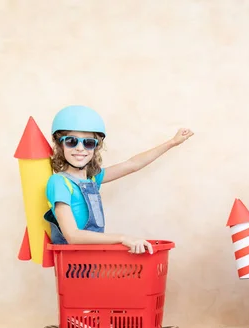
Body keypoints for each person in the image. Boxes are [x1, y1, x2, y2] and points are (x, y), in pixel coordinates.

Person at [44, 105, 193, 253]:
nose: (80, 148)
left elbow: (132, 164)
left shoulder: (93, 179)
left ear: (95, 147)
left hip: (92, 259)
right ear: (60, 144)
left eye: (88, 142)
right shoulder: (59, 182)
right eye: (71, 141)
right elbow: (72, 236)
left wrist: (172, 142)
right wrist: (122, 238)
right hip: (72, 265)